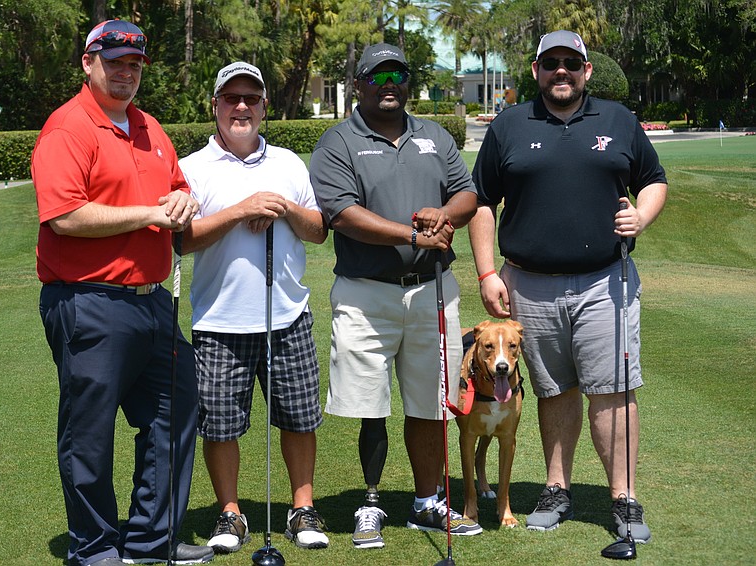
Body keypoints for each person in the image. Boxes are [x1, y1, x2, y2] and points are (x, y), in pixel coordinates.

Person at [468, 30, 667, 544]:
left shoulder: (618, 120)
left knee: (613, 391)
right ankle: (557, 488)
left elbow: (653, 178)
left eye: (571, 63)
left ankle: (623, 497)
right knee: (553, 391)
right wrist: (488, 272)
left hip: (607, 281)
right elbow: (482, 201)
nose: (562, 71)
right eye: (551, 63)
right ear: (535, 70)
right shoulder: (509, 125)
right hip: (528, 287)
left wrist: (641, 216)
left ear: (587, 70)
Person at [32, 20, 213, 566]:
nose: (125, 72)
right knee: (90, 430)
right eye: (114, 62)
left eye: (134, 64)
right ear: (88, 63)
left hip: (151, 300)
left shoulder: (149, 128)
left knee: (177, 408)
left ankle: (151, 540)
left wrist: (181, 204)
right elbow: (65, 216)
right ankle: (92, 548)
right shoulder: (68, 128)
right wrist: (152, 213)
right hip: (88, 301)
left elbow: (179, 190)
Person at [309, 43, 480, 549]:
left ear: (409, 83)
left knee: (431, 401)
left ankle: (427, 500)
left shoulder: (433, 135)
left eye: (398, 74)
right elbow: (341, 213)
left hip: (433, 291)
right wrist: (411, 234)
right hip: (367, 294)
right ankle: (370, 501)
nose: (389, 83)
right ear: (359, 83)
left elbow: (468, 193)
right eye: (378, 74)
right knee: (370, 404)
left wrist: (444, 214)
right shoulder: (338, 141)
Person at [178, 62, 329, 554]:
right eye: (231, 98)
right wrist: (242, 209)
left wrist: (282, 207)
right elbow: (182, 241)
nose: (240, 106)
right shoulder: (191, 168)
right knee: (220, 425)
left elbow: (318, 228)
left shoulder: (287, 163)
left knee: (299, 417)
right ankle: (230, 514)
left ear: (265, 106)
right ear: (215, 106)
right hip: (219, 321)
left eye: (251, 98)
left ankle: (301, 507)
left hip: (286, 315)